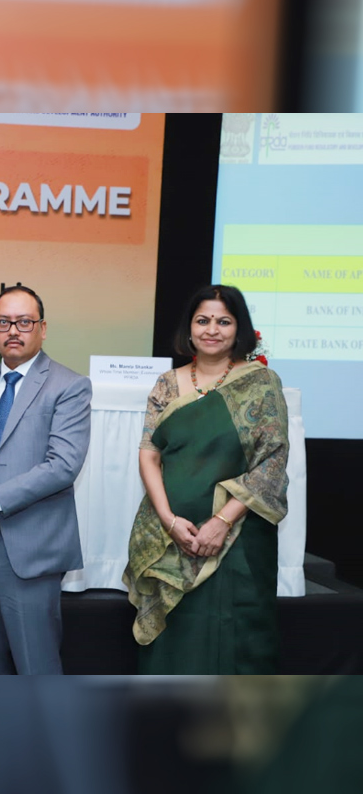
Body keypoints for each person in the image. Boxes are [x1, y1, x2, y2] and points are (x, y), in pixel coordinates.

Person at [123, 284, 289, 674]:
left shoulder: (262, 382)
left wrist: (221, 521)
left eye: (223, 321)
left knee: (235, 635)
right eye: (203, 320)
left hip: (240, 536)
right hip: (173, 534)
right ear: (190, 327)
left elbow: (272, 460)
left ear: (239, 328)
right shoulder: (167, 383)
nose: (212, 329)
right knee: (176, 639)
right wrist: (169, 520)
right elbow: (149, 453)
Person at [0, 285, 92, 674]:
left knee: (35, 665)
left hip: (30, 543)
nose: (13, 331)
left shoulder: (69, 385)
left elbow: (63, 465)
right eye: (4, 322)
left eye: (24, 322)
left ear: (43, 328)